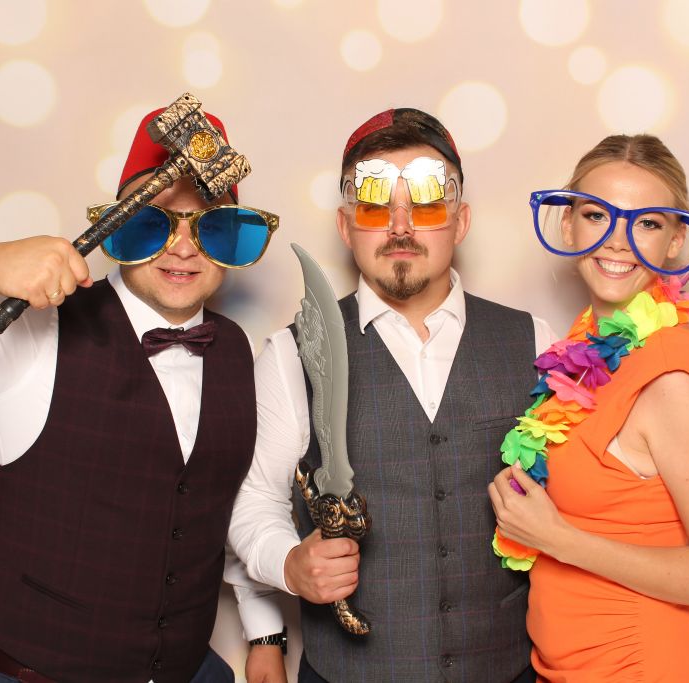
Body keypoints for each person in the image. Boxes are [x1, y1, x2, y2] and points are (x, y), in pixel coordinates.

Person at [0, 107, 279, 683]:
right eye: (153, 223)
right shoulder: (33, 328)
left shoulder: (237, 349)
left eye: (211, 227)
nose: (183, 249)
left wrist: (264, 629)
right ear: (116, 226)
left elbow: (222, 503)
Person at [227, 108, 554, 683]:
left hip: (507, 667)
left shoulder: (534, 341)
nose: (401, 228)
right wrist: (289, 563)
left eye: (425, 206)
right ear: (346, 225)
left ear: (461, 221)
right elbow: (255, 499)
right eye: (376, 207)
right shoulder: (289, 353)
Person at [487, 134, 689, 681]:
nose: (617, 240)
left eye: (647, 222)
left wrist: (556, 538)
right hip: (564, 668)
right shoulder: (586, 350)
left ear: (675, 240)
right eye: (596, 215)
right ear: (568, 226)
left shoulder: (672, 375)